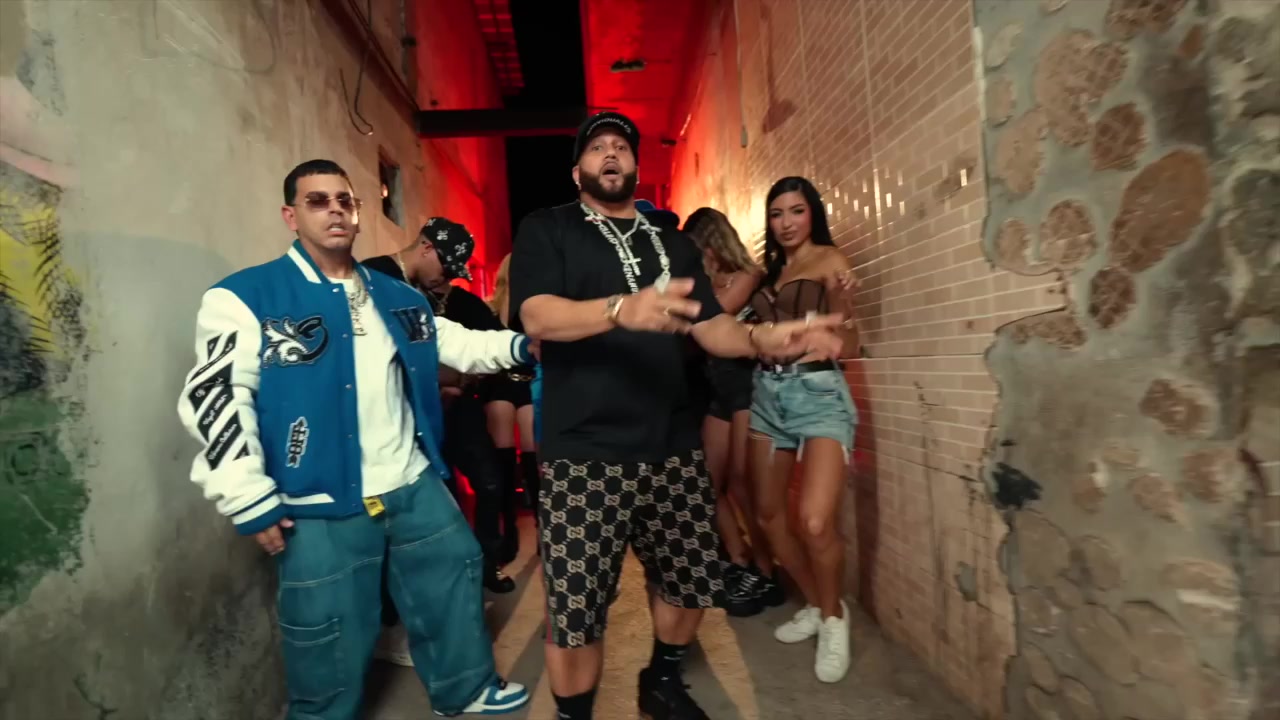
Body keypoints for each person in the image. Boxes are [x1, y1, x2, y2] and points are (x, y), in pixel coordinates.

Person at [508, 112, 846, 720]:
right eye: (597, 147)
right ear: (578, 170)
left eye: (622, 146)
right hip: (583, 453)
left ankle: (661, 681)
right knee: (576, 611)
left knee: (690, 582)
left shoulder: (675, 245)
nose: (611, 154)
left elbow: (713, 327)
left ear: (637, 166)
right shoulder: (548, 228)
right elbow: (537, 316)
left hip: (672, 445)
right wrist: (620, 309)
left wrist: (764, 338)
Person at [176, 160, 530, 718]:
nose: (335, 210)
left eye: (345, 200)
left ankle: (464, 689)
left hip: (410, 479)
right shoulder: (245, 296)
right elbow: (215, 396)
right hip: (316, 495)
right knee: (326, 623)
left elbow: (454, 342)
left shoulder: (394, 295)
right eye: (318, 201)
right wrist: (246, 494)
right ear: (291, 216)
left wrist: (522, 347)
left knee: (453, 575)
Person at [364, 220, 525, 593]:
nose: (447, 279)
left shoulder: (436, 297)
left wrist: (464, 379)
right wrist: (442, 378)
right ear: (426, 248)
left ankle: (483, 567)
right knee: (427, 506)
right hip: (401, 421)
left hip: (448, 413)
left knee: (487, 482)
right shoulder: (375, 279)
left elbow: (466, 346)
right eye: (446, 268)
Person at [746, 176, 861, 684]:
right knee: (769, 517)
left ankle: (835, 619)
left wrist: (837, 331)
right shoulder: (769, 271)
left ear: (812, 213)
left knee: (814, 522)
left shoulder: (830, 260)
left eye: (796, 210)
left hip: (818, 397)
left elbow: (851, 337)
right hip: (767, 398)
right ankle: (818, 604)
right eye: (777, 213)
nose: (786, 222)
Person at [681, 207, 782, 618]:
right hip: (717, 390)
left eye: (696, 248)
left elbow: (716, 315)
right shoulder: (704, 285)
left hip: (746, 389)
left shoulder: (748, 276)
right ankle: (739, 558)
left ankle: (766, 571)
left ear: (712, 243)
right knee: (707, 482)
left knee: (742, 482)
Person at [483, 253, 539, 515]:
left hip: (529, 382)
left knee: (533, 454)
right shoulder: (489, 309)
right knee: (502, 457)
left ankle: (541, 521)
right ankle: (508, 526)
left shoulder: (534, 308)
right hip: (500, 382)